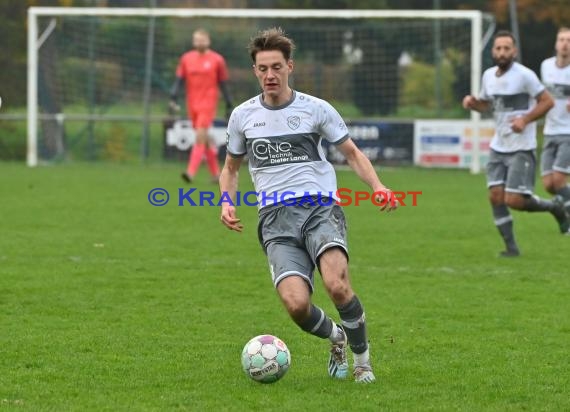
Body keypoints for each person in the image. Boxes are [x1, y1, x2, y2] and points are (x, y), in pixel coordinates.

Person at [219, 27, 399, 383]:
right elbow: (230, 168)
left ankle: (363, 362)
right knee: (296, 306)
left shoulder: (316, 109)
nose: (270, 75)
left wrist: (377, 185)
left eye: (276, 67)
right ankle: (337, 337)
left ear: (290, 66)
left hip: (320, 209)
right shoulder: (242, 116)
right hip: (274, 219)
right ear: (255, 71)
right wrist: (226, 202)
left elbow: (352, 153)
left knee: (337, 285)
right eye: (262, 68)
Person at [463, 30, 569, 258]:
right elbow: (488, 105)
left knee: (515, 200)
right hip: (498, 146)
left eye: (506, 48)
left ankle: (555, 208)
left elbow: (547, 101)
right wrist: (473, 103)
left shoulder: (525, 76)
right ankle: (511, 248)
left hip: (522, 147)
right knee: (495, 196)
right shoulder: (489, 76)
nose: (502, 52)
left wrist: (525, 119)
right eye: (498, 48)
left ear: (514, 51)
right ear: (493, 51)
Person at [170, 28, 233, 183]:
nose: (199, 42)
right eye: (196, 40)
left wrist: (229, 102)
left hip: (208, 102)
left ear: (208, 41)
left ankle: (190, 173)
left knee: (199, 136)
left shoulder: (217, 60)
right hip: (192, 103)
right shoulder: (186, 58)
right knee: (203, 139)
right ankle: (216, 174)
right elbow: (179, 79)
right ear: (193, 42)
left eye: (202, 40)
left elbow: (223, 83)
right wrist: (173, 96)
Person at [540, 27, 570, 217]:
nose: (565, 44)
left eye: (568, 40)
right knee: (548, 184)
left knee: (559, 180)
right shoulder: (546, 66)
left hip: (568, 132)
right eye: (561, 40)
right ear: (556, 44)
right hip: (549, 130)